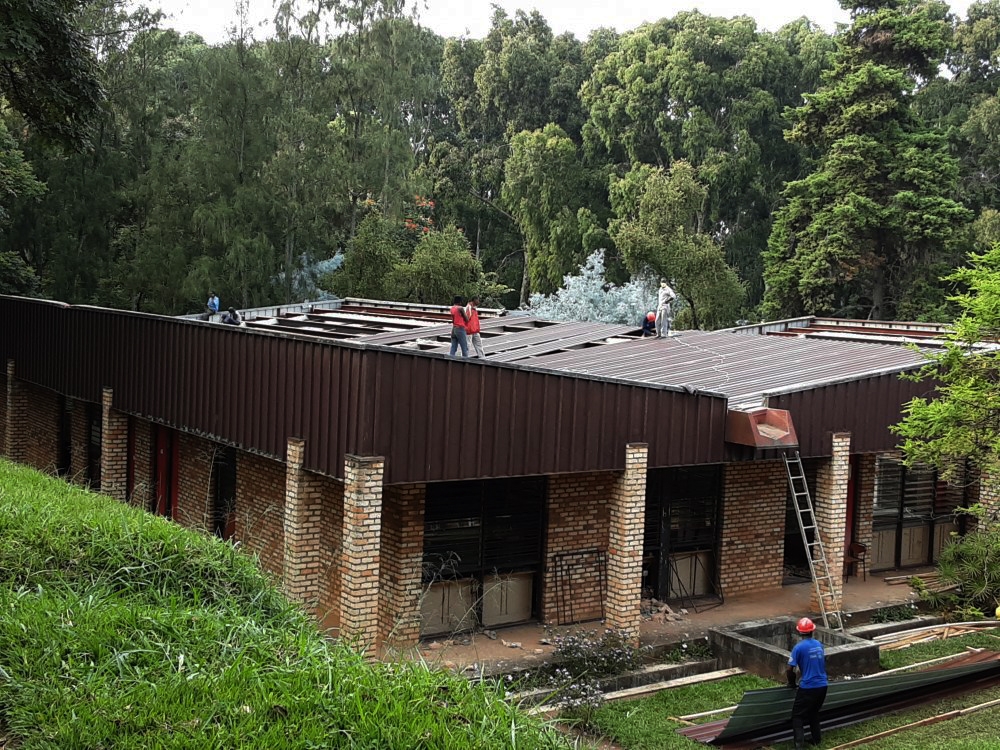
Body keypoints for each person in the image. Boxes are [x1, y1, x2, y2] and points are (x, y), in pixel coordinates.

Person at [787, 617, 828, 750]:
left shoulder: (798, 648)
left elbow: (790, 669)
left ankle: (799, 746)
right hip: (823, 686)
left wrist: (792, 683)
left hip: (808, 687)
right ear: (812, 631)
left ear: (799, 632)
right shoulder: (819, 645)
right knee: (813, 712)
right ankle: (816, 740)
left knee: (797, 716)